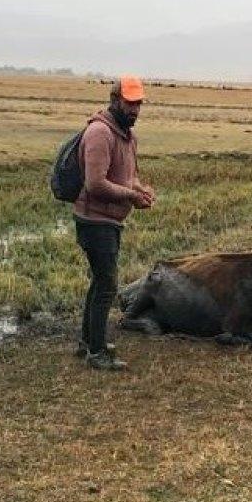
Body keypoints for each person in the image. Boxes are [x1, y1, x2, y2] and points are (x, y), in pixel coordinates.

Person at [73, 76, 156, 370]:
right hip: (94, 219)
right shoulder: (99, 133)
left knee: (100, 281)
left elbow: (126, 176)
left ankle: (89, 342)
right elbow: (95, 184)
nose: (134, 109)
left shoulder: (127, 136)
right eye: (129, 103)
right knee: (107, 285)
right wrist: (131, 195)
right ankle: (96, 352)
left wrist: (140, 190)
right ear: (115, 100)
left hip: (110, 219)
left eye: (138, 103)